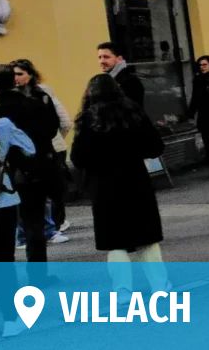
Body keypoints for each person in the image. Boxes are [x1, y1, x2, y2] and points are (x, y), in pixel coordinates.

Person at [69, 74, 168, 295]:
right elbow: (155, 147)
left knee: (115, 241)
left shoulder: (87, 119)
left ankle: (123, 290)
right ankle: (159, 285)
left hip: (103, 185)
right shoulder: (133, 112)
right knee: (147, 237)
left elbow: (78, 158)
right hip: (135, 180)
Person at [0, 65, 60, 284]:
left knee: (5, 233)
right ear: (13, 81)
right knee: (34, 224)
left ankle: (5, 282)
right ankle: (38, 275)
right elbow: (50, 131)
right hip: (33, 172)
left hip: (5, 177)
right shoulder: (32, 104)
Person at [10, 59, 72, 241]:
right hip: (20, 153)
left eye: (20, 74)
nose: (16, 78)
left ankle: (48, 229)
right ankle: (24, 235)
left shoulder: (42, 95)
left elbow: (55, 122)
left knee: (45, 193)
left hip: (42, 150)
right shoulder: (11, 98)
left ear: (30, 75)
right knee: (22, 195)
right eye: (13, 74)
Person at [0, 82, 36, 338]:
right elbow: (30, 148)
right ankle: (10, 320)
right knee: (3, 261)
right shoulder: (3, 125)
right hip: (3, 200)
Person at [97, 42, 145, 108]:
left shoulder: (130, 82)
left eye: (106, 57)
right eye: (99, 57)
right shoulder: (110, 80)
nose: (101, 61)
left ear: (119, 59)